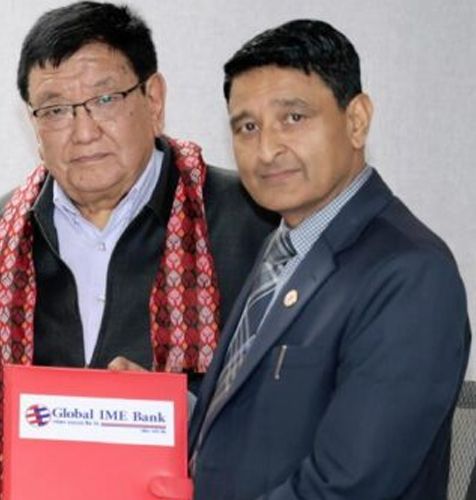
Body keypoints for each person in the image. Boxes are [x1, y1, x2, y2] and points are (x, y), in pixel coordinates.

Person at [0, 3, 276, 495]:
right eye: (55, 110)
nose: (83, 132)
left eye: (105, 99)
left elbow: (291, 405)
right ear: (33, 123)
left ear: (154, 99)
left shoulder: (253, 221)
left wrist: (176, 416)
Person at [189, 19, 470, 500]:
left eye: (293, 118)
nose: (267, 150)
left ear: (356, 120)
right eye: (248, 127)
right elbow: (261, 420)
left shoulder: (411, 274)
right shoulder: (285, 244)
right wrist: (159, 410)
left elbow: (345, 487)